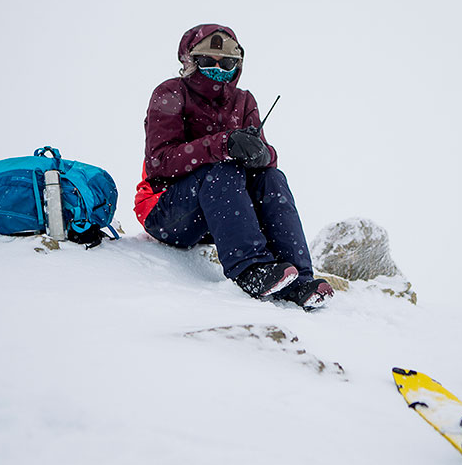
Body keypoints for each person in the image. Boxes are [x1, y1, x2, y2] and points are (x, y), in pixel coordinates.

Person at [134, 23, 334, 310]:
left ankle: (301, 279)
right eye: (207, 61)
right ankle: (250, 269)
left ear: (237, 64)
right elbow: (159, 163)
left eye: (226, 62)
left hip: (219, 215)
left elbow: (267, 160)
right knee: (223, 171)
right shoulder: (170, 93)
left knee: (272, 179)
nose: (218, 68)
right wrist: (223, 144)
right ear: (190, 61)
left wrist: (261, 155)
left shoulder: (243, 101)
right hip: (166, 212)